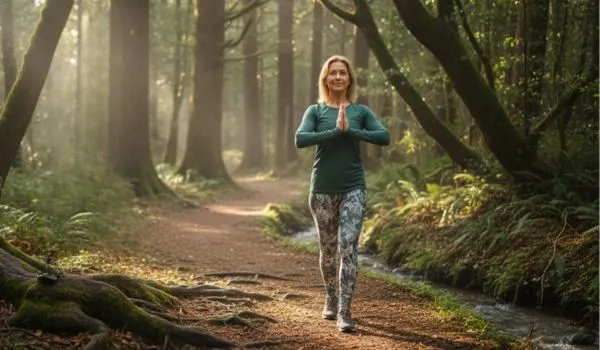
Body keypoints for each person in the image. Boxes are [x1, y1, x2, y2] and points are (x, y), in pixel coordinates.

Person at [294, 55, 390, 332]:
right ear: (326, 79)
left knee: (349, 247)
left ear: (349, 79)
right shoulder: (315, 111)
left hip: (353, 189)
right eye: (332, 73)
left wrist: (354, 131)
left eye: (342, 73)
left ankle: (345, 312)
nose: (337, 77)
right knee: (328, 251)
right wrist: (336, 132)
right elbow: (300, 139)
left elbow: (384, 137)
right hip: (322, 189)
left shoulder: (360, 111)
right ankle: (330, 298)